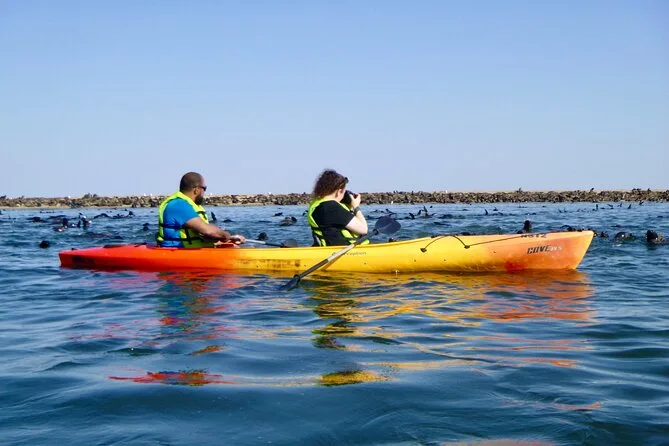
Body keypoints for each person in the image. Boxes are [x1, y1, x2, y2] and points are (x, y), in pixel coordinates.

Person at [156, 172, 245, 248]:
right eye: (204, 188)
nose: (204, 192)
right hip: (178, 252)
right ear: (196, 190)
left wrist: (228, 240)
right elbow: (207, 230)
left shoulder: (186, 205)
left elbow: (202, 235)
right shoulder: (179, 205)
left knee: (234, 247)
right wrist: (226, 235)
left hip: (191, 250)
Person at [307, 169, 368, 246]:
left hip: (327, 248)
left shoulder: (317, 204)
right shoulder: (332, 207)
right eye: (344, 192)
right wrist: (356, 206)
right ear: (339, 191)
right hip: (345, 250)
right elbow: (363, 229)